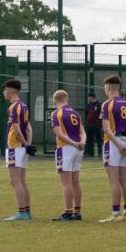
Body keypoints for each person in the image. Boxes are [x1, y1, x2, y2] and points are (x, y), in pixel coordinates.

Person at [99, 74, 126, 223]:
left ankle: (115, 213)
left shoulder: (107, 104)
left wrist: (119, 146)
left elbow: (107, 130)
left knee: (114, 180)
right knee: (124, 180)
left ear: (108, 87)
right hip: (125, 141)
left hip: (113, 143)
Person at [50, 89, 85, 221]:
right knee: (75, 181)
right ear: (67, 99)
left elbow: (59, 134)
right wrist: (81, 143)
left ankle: (68, 212)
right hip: (77, 149)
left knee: (66, 183)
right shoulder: (75, 113)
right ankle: (77, 211)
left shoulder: (56, 113)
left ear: (55, 100)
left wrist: (74, 144)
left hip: (65, 148)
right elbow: (82, 131)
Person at [1, 79, 33, 221]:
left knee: (15, 181)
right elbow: (29, 128)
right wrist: (28, 145)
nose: (4, 93)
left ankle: (22, 213)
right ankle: (26, 211)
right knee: (22, 180)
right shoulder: (24, 106)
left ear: (11, 90)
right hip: (22, 147)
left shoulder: (13, 107)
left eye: (5, 90)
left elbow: (17, 129)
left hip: (15, 146)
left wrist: (25, 144)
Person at [84, 93, 101, 158]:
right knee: (89, 139)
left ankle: (100, 153)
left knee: (98, 139)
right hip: (90, 125)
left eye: (89, 97)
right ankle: (90, 153)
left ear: (93, 97)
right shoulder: (88, 105)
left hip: (97, 125)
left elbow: (101, 115)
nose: (88, 99)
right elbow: (87, 114)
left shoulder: (99, 105)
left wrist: (100, 123)